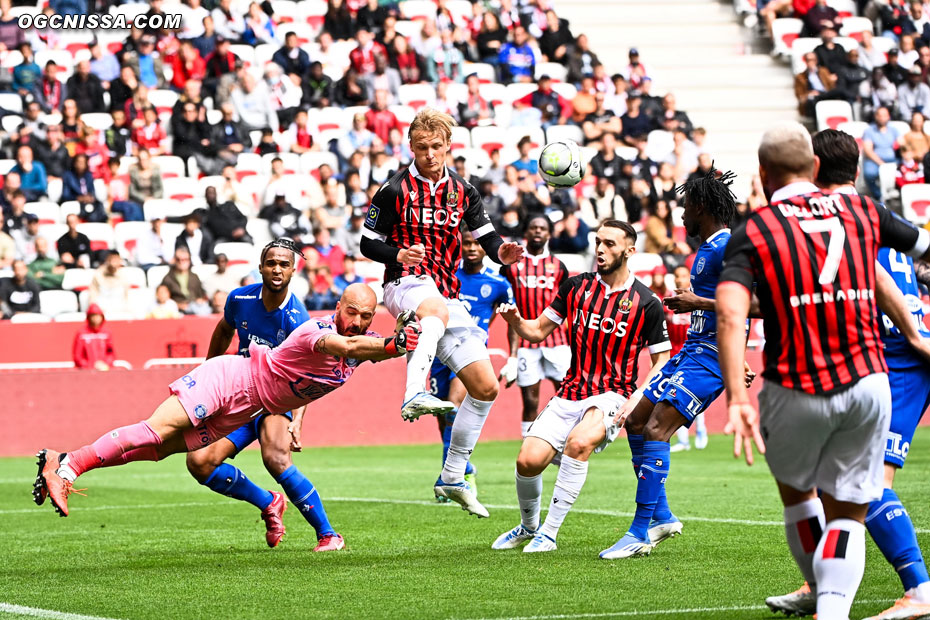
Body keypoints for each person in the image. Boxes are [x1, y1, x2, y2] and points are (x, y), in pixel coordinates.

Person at [717, 122, 930, 620]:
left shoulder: (756, 228)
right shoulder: (863, 211)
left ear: (764, 173)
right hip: (869, 380)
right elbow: (910, 255)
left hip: (797, 385)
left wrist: (737, 397)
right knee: (851, 512)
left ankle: (833, 592)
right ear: (813, 169)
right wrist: (918, 332)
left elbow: (730, 314)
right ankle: (830, 608)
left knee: (802, 501)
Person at [35, 284, 419, 519]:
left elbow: (371, 349)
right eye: (351, 311)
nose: (356, 321)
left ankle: (61, 459)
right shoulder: (316, 330)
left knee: (157, 449)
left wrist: (404, 336)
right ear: (337, 306)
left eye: (365, 316)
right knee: (154, 429)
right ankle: (68, 468)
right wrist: (393, 342)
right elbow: (352, 344)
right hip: (232, 379)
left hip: (245, 408)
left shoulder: (357, 351)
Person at [360, 108, 523, 516]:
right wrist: (398, 253)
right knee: (431, 307)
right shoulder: (393, 190)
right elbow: (366, 243)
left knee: (486, 387)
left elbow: (487, 237)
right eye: (421, 147)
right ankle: (415, 391)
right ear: (410, 147)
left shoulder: (463, 191)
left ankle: (453, 476)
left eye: (436, 147)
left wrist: (501, 253)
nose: (429, 154)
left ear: (448, 147)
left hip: (447, 296)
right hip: (404, 283)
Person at [600, 167, 759, 559]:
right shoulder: (706, 249)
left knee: (657, 428)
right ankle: (663, 516)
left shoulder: (729, 247)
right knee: (636, 419)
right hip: (692, 350)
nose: (681, 214)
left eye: (686, 206)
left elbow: (758, 305)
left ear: (701, 206)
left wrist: (697, 304)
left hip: (711, 357)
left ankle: (639, 530)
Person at [491, 220, 671, 553]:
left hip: (613, 394)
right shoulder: (576, 287)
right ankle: (529, 527)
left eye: (610, 244)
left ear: (630, 251)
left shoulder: (647, 302)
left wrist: (637, 399)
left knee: (579, 442)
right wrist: (515, 319)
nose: (601, 250)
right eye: (598, 242)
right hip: (571, 391)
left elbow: (662, 359)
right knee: (527, 462)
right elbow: (536, 331)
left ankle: (549, 533)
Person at [184, 239, 345, 552]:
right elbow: (222, 331)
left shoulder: (297, 319)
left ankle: (328, 534)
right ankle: (269, 502)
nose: (277, 269)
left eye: (284, 264)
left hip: (276, 399)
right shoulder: (240, 299)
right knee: (199, 462)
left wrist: (297, 421)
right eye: (271, 263)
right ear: (260, 267)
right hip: (240, 395)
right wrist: (209, 375)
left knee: (275, 458)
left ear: (293, 271)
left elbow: (307, 374)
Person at [428, 228, 513, 499]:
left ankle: (451, 478)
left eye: (477, 243)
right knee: (443, 417)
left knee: (453, 408)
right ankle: (465, 468)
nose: (472, 248)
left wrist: (511, 354)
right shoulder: (448, 277)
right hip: (440, 354)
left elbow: (509, 316)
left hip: (468, 354)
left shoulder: (498, 284)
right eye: (466, 243)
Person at [498, 216, 570, 438]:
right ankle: (528, 447)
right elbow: (508, 308)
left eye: (542, 228)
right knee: (530, 401)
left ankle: (565, 444)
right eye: (533, 227)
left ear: (549, 234)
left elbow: (569, 307)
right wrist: (512, 355)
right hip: (526, 344)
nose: (538, 231)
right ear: (526, 233)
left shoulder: (559, 267)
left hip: (557, 342)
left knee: (566, 397)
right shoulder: (511, 267)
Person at [160, 247, 209, 314]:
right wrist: (178, 305)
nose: (181, 262)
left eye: (184, 259)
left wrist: (200, 300)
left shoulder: (194, 277)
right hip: (177, 310)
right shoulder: (168, 278)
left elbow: (201, 295)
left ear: (189, 260)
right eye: (178, 259)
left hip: (195, 307)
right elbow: (163, 298)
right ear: (175, 260)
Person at [72, 304, 115, 370]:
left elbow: (110, 353)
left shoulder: (106, 333)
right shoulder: (81, 334)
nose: (96, 318)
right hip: (86, 372)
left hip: (104, 370)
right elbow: (77, 356)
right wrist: (90, 366)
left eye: (98, 316)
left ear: (102, 317)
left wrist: (105, 364)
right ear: (88, 317)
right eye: (93, 316)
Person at [88, 251, 130, 316]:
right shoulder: (98, 274)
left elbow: (127, 297)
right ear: (107, 260)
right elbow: (93, 296)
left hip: (120, 310)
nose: (113, 261)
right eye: (111, 259)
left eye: (116, 259)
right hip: (102, 310)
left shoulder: (124, 275)